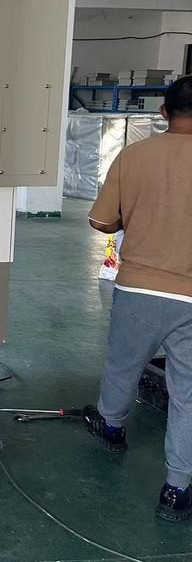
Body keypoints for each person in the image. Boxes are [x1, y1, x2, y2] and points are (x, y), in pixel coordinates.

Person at [86, 74, 192, 522]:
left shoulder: (133, 156)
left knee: (123, 365)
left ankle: (111, 427)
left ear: (163, 112)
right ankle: (176, 488)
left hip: (139, 286)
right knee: (188, 393)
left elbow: (101, 222)